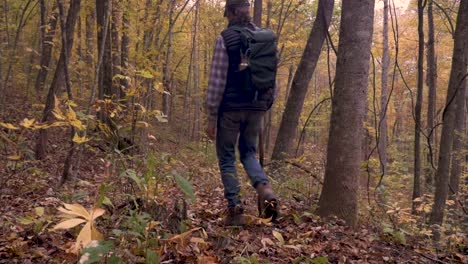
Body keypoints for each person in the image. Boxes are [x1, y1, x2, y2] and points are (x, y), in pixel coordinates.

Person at [205, 0, 278, 226]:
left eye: (227, 12)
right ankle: (264, 188)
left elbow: (217, 81)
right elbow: (272, 76)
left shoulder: (225, 39)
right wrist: (265, 104)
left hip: (230, 110)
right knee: (249, 153)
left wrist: (211, 115)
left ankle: (235, 208)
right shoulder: (264, 38)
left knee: (227, 156)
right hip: (257, 106)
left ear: (232, 12)